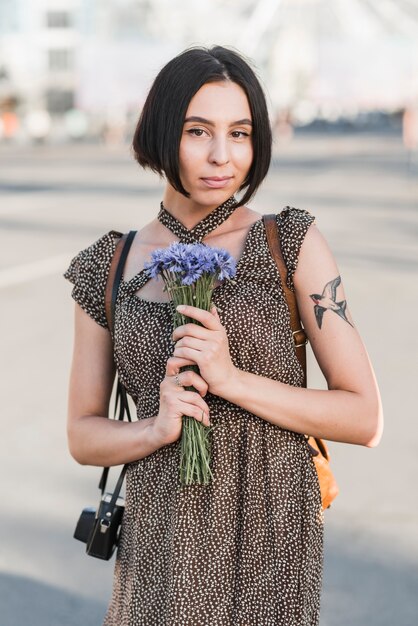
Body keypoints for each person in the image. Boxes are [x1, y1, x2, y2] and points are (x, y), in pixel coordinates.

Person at [64, 45, 383, 626]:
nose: (221, 156)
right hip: (159, 544)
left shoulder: (290, 243)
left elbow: (365, 418)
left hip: (271, 537)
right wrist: (155, 429)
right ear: (162, 133)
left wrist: (232, 381)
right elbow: (83, 436)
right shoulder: (107, 264)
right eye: (197, 131)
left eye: (239, 133)